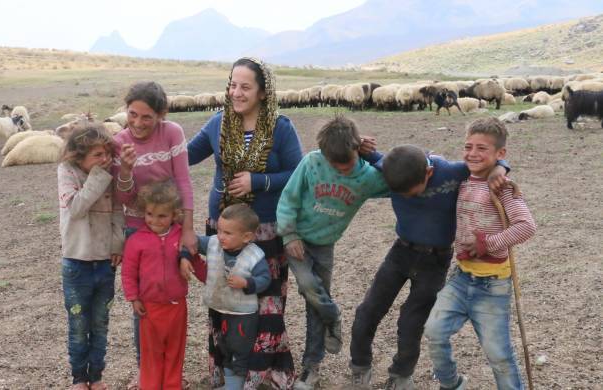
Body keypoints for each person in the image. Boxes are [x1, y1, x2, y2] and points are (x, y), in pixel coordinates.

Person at [348, 144, 510, 390]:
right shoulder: (392, 166)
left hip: (436, 261)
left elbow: (485, 166)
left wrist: (501, 168)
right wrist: (358, 142)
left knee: (411, 322)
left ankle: (401, 375)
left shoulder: (453, 172)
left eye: (410, 193)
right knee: (368, 311)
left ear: (428, 173)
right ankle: (360, 368)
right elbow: (369, 153)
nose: (405, 197)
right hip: (400, 253)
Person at [186, 57, 302, 389]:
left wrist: (258, 181)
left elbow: (297, 172)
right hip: (221, 227)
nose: (236, 92)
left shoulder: (280, 127)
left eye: (245, 87)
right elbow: (183, 156)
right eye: (232, 85)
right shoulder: (217, 124)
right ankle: (229, 372)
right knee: (225, 297)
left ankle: (267, 372)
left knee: (265, 301)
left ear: (263, 92)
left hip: (264, 228)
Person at [275, 116, 388, 390]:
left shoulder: (367, 177)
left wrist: (374, 157)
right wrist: (288, 234)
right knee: (308, 286)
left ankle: (310, 368)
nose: (341, 170)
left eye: (347, 163)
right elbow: (288, 199)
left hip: (325, 245)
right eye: (335, 164)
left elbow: (399, 179)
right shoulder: (312, 162)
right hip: (297, 240)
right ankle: (333, 314)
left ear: (357, 148)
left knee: (314, 304)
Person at [424, 117, 536, 390]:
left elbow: (526, 226)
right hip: (462, 277)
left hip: (492, 285)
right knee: (434, 331)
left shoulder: (502, 187)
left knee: (499, 355)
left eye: (482, 148)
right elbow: (428, 160)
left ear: (500, 154)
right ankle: (451, 384)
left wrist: (488, 243)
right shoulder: (462, 178)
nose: (472, 153)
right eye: (468, 146)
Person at [111, 81, 196, 389]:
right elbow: (123, 198)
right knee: (144, 304)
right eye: (132, 114)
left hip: (171, 225)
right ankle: (145, 371)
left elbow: (184, 182)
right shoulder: (119, 142)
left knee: (172, 296)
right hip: (138, 228)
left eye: (147, 117)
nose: (137, 123)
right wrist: (125, 171)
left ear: (161, 115)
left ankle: (171, 370)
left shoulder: (172, 132)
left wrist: (187, 228)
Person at [57, 122, 124, 390]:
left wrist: (118, 243)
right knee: (77, 323)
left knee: (100, 323)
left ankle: (95, 376)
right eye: (98, 155)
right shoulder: (66, 172)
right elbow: (76, 208)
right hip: (76, 262)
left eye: (107, 154)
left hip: (105, 262)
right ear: (78, 155)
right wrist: (99, 175)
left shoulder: (109, 174)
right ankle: (78, 378)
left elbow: (118, 210)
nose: (105, 159)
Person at [180, 204, 272, 389]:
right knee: (224, 346)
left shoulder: (254, 255)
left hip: (243, 314)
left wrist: (246, 283)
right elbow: (191, 242)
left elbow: (265, 279)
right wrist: (184, 257)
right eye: (220, 230)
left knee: (240, 349)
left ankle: (235, 386)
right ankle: (231, 384)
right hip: (220, 307)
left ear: (247, 236)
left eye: (228, 233)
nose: (221, 236)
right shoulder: (214, 243)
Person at [121, 180, 190, 390]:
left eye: (162, 216)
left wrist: (211, 277)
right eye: (150, 214)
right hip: (150, 307)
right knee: (151, 352)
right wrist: (133, 298)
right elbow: (128, 273)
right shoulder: (136, 240)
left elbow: (195, 260)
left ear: (174, 215)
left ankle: (172, 385)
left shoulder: (181, 236)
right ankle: (150, 385)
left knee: (175, 351)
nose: (155, 220)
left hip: (177, 306)